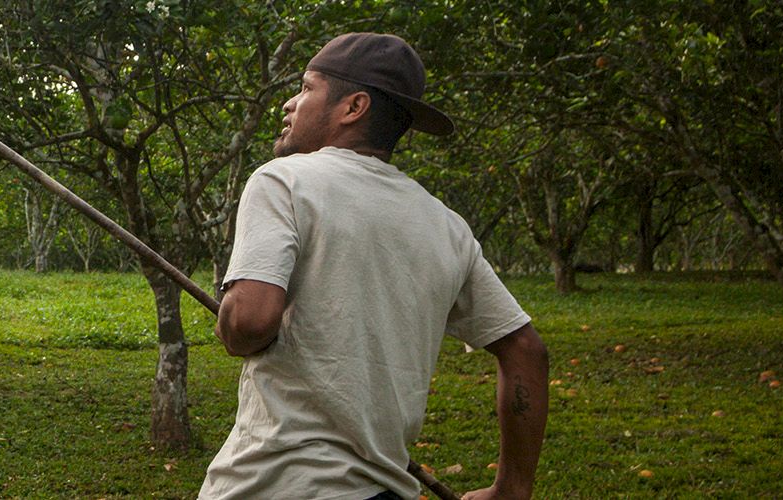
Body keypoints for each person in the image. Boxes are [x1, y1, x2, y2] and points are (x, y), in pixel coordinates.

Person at [201, 33, 550, 500]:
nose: (289, 104)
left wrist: (232, 319)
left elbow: (250, 322)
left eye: (306, 88)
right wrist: (512, 488)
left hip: (274, 482)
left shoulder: (282, 181)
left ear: (353, 107)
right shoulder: (445, 224)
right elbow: (526, 351)